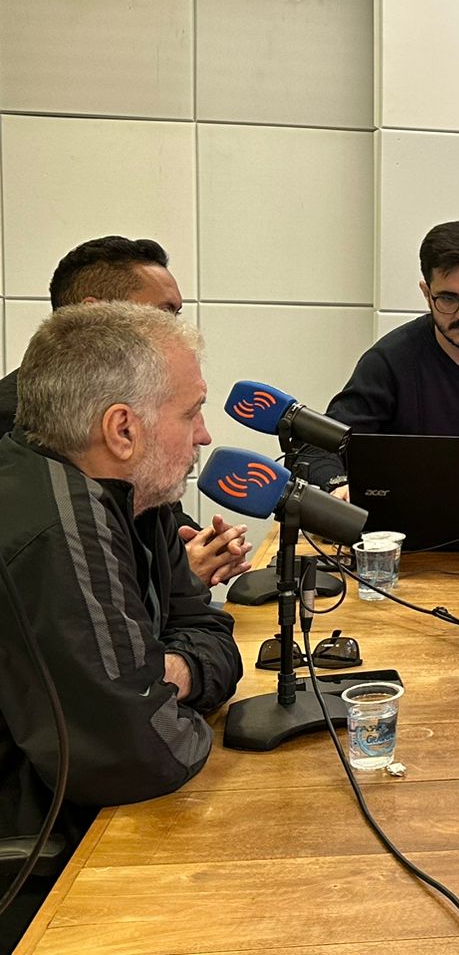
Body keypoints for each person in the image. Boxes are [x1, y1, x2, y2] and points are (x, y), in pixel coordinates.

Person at [0, 303, 243, 949]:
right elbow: (145, 752)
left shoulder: (134, 497)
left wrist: (169, 672)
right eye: (191, 412)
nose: (204, 436)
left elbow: (209, 631)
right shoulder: (58, 528)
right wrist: (158, 686)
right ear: (122, 430)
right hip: (33, 875)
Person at [0, 236, 250, 587]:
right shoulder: (14, 423)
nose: (176, 330)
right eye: (162, 314)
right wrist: (175, 581)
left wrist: (197, 550)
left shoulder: (146, 405)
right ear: (93, 316)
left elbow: (159, 518)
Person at [304, 221, 459, 496]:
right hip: (407, 517)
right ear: (427, 294)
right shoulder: (390, 361)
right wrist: (338, 484)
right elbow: (316, 447)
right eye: (448, 299)